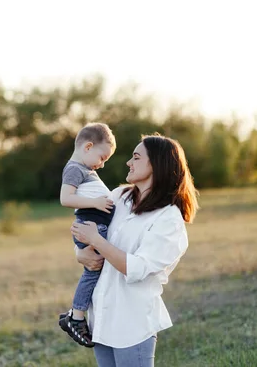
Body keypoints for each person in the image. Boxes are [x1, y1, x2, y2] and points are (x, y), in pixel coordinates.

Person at [70, 133, 199, 367]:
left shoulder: (168, 219)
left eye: (136, 157)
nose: (129, 162)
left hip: (132, 322)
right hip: (101, 315)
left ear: (157, 165)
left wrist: (97, 241)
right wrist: (80, 253)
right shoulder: (119, 196)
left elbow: (136, 269)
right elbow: (85, 223)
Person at [58, 123, 117, 347]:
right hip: (90, 225)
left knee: (98, 271)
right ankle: (76, 317)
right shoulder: (75, 168)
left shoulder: (85, 169)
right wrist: (95, 202)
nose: (101, 165)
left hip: (94, 225)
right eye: (102, 158)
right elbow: (66, 199)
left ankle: (78, 315)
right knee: (93, 270)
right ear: (88, 147)